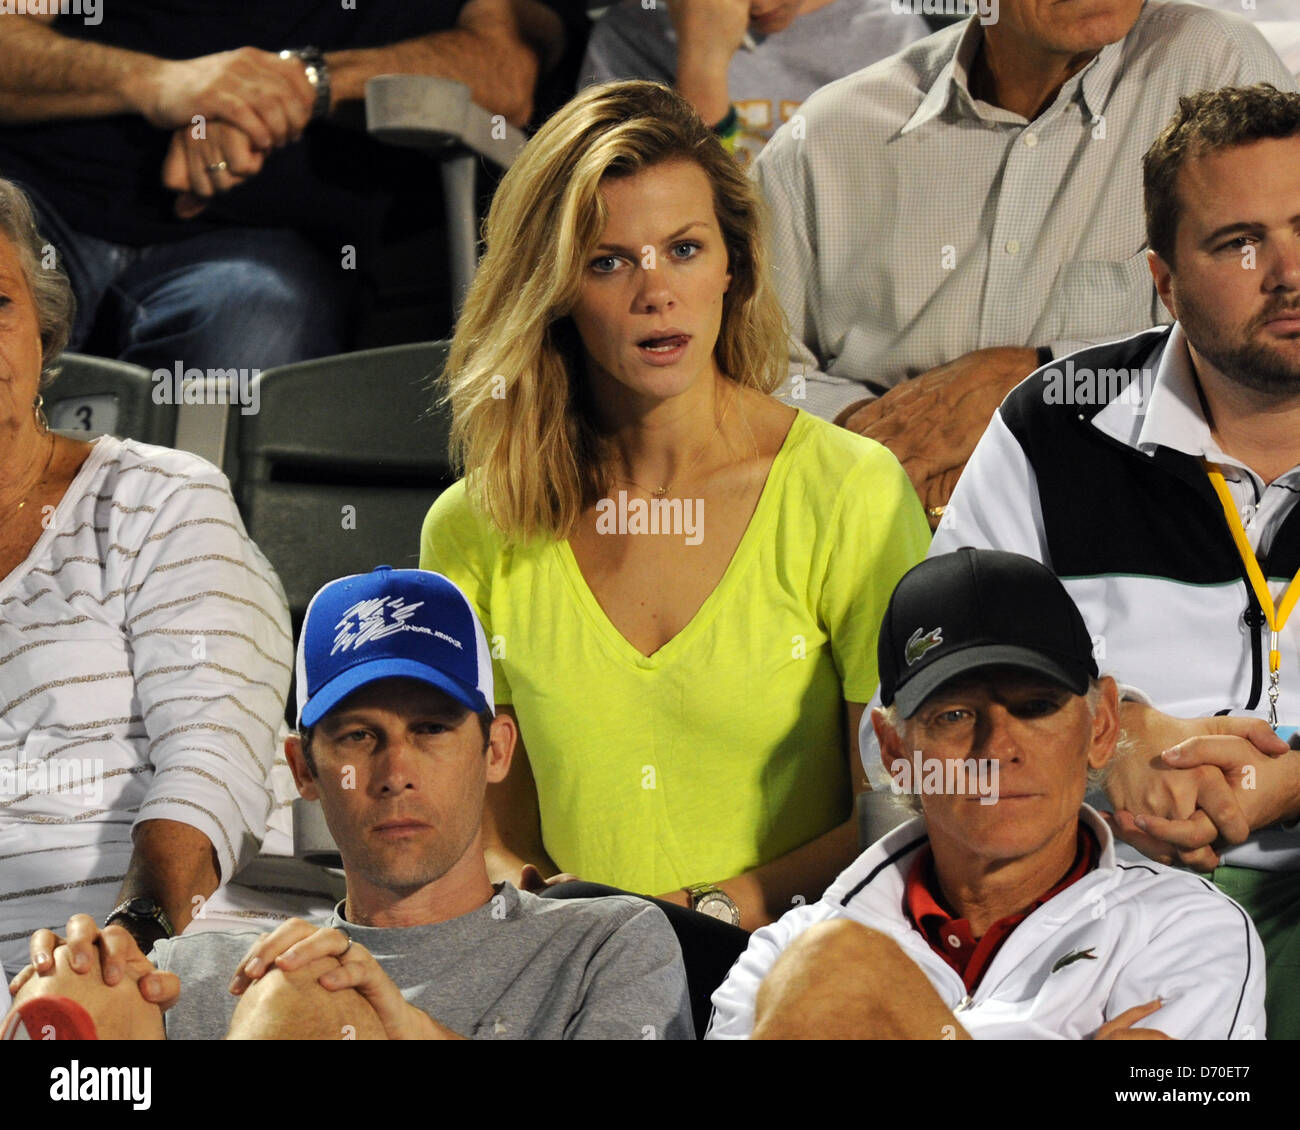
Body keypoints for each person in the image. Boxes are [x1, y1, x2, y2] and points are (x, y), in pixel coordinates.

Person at [419, 79, 928, 998]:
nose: (657, 292)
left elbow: (896, 819)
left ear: (733, 267)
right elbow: (488, 831)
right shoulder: (473, 524)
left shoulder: (851, 491)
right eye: (609, 262)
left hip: (792, 975)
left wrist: (706, 914)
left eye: (685, 250)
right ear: (554, 288)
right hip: (564, 983)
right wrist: (548, 922)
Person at [925, 83, 1300, 1035]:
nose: (1289, 271)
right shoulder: (1053, 430)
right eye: (1239, 243)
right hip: (1096, 914)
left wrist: (1288, 783)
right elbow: (914, 718)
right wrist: (1114, 736)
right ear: (1163, 282)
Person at [5, 567, 694, 1041]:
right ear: (303, 768)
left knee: (306, 1000)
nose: (396, 772)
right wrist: (74, 994)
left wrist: (393, 1025)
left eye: (430, 730)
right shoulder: (198, 974)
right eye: (360, 736)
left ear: (495, 751)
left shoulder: (607, 942)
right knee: (81, 1002)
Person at [752, 0, 1297, 524]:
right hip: (877, 530)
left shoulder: (1214, 62)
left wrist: (1038, 378)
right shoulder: (827, 138)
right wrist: (885, 445)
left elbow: (1264, 342)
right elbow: (748, 363)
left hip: (1141, 532)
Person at [708, 549, 1266, 1040]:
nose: (998, 749)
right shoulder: (783, 958)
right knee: (837, 965)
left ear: (1100, 726)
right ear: (896, 753)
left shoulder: (1191, 931)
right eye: (955, 715)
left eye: (1036, 706)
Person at [0, 177, 292, 980]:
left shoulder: (156, 499)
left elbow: (214, 748)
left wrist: (132, 939)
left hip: (171, 962)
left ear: (41, 331)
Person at [0, 1, 566, 371]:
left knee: (255, 335)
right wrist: (163, 83)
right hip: (36, 201)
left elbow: (504, 71)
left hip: (264, 244)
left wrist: (295, 84)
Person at [579, 0, 928, 166]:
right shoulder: (630, 36)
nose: (761, 5)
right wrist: (703, 65)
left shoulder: (890, 37)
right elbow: (660, 223)